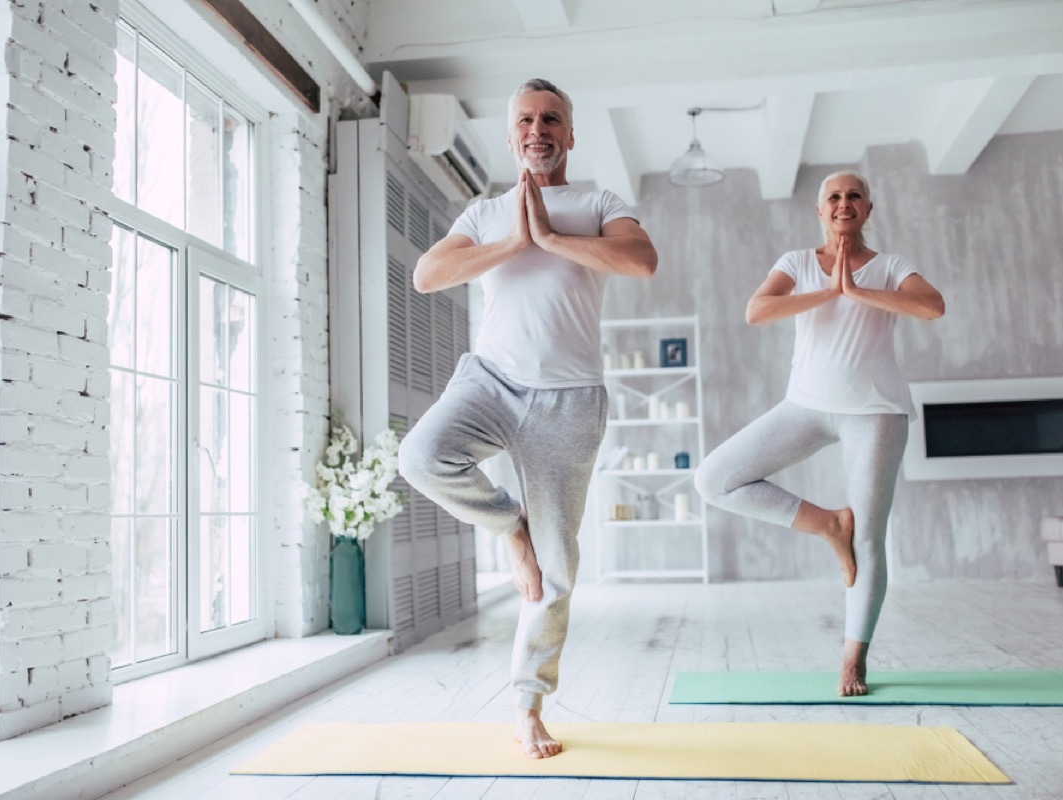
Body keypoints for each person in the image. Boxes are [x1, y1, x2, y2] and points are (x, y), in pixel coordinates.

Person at [397, 78, 657, 758]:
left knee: (559, 569)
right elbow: (428, 276)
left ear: (569, 135)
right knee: (420, 458)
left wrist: (550, 235)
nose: (538, 129)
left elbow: (641, 259)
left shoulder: (599, 203)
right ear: (510, 135)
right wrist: (516, 241)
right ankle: (511, 528)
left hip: (569, 401)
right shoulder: (484, 213)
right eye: (525, 120)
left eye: (551, 119)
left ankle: (526, 705)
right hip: (490, 380)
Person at [694, 170, 944, 696]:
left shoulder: (892, 266)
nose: (844, 203)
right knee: (714, 478)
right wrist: (831, 289)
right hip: (804, 408)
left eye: (855, 196)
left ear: (869, 209)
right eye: (834, 196)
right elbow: (757, 310)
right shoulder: (796, 263)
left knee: (872, 538)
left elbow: (930, 306)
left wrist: (858, 290)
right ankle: (828, 524)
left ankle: (854, 657)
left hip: (875, 412)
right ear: (819, 210)